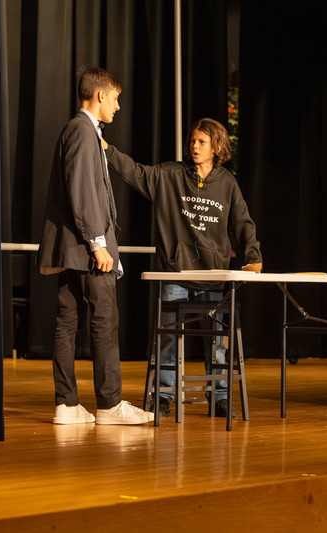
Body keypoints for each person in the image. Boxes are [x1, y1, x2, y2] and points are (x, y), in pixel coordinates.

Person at [102, 117, 262, 417]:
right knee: (168, 339)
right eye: (193, 141)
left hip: (213, 276)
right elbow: (135, 172)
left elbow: (243, 222)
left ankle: (221, 396)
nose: (194, 147)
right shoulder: (170, 174)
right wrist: (108, 150)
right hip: (177, 274)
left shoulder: (227, 183)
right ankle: (163, 395)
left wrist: (253, 255)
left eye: (202, 142)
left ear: (216, 146)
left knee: (217, 341)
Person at [36, 67, 153, 426]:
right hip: (87, 250)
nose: (118, 106)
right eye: (115, 98)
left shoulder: (84, 132)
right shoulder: (82, 130)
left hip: (73, 248)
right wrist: (99, 245)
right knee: (104, 320)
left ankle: (67, 405)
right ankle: (109, 404)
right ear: (100, 95)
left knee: (68, 321)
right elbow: (83, 192)